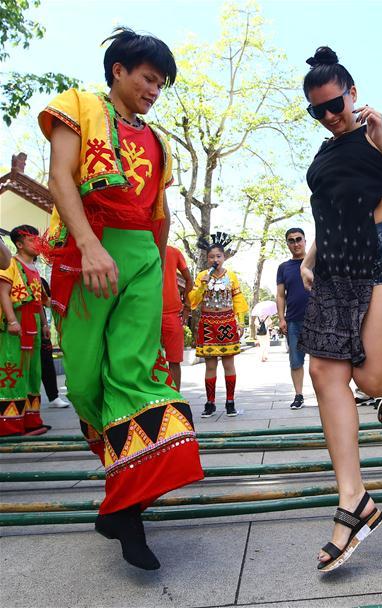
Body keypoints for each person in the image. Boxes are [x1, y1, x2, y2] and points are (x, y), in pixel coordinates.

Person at [39, 28, 203, 569]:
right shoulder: (79, 106)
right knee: (86, 381)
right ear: (118, 71)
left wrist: (159, 275)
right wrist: (88, 246)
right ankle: (122, 501)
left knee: (133, 374)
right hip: (89, 249)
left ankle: (126, 511)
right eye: (148, 78)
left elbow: (160, 213)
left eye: (161, 84)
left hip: (143, 259)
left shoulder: (157, 141)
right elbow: (59, 176)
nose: (155, 90)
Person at [298, 46, 382, 571]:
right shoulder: (323, 155)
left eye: (334, 104)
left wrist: (378, 140)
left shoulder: (381, 132)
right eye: (318, 111)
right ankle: (353, 499)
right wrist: (309, 256)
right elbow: (329, 208)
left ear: (352, 92)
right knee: (324, 369)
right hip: (333, 266)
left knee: (372, 378)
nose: (330, 116)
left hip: (381, 256)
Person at [189, 232, 248, 418]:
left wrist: (240, 321)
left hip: (227, 322)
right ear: (207, 259)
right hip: (207, 323)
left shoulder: (231, 276)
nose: (215, 259)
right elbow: (193, 301)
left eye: (218, 256)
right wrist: (201, 286)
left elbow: (238, 299)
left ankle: (230, 402)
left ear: (224, 257)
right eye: (211, 257)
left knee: (229, 364)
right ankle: (210, 403)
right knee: (210, 366)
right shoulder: (201, 276)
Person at [0, 226, 49, 436]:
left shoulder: (34, 269)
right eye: (31, 241)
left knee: (32, 372)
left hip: (34, 322)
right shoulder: (11, 264)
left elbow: (39, 301)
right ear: (19, 244)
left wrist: (45, 324)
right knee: (12, 370)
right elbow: (3, 292)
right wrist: (11, 321)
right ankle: (10, 426)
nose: (36, 244)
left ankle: (31, 422)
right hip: (17, 322)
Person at [276, 227, 311, 409]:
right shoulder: (284, 268)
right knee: (296, 361)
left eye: (299, 239)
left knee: (322, 361)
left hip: (318, 319)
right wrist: (281, 318)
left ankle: (324, 394)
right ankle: (299, 395)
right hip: (294, 320)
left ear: (305, 240)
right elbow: (280, 295)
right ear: (288, 244)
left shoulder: (315, 262)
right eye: (292, 240)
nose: (296, 243)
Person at [161, 245, 192, 390]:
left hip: (172, 312)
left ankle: (176, 398)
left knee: (174, 360)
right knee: (146, 359)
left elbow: (188, 279)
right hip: (146, 312)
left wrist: (187, 304)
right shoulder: (141, 246)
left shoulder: (173, 252)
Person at [38, 277, 71, 408]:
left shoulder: (38, 278)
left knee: (46, 362)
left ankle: (53, 396)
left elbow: (46, 301)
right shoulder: (9, 272)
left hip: (38, 327)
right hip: (15, 328)